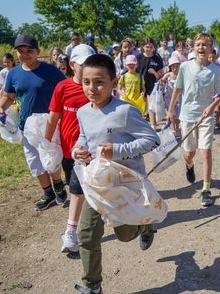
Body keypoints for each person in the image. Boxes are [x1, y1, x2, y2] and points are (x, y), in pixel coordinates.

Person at [72, 54, 160, 294]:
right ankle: (93, 287)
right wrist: (77, 150)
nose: (92, 88)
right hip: (97, 183)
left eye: (99, 82)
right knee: (87, 234)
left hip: (124, 184)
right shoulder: (82, 112)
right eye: (86, 82)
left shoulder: (124, 111)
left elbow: (152, 139)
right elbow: (84, 138)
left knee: (124, 235)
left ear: (114, 81)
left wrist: (117, 151)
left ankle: (144, 226)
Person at [0, 34, 67, 211]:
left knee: (51, 156)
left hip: (49, 123)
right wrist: (0, 108)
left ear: (38, 52)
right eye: (21, 51)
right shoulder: (14, 74)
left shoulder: (50, 71)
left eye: (29, 51)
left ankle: (58, 183)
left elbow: (66, 90)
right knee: (34, 161)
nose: (25, 55)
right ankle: (48, 193)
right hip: (27, 126)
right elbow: (8, 95)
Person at [45, 44, 95, 253]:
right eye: (83, 64)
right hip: (68, 151)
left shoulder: (96, 88)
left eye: (91, 63)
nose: (87, 68)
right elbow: (53, 116)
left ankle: (72, 231)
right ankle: (87, 222)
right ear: (72, 64)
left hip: (91, 151)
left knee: (78, 189)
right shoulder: (62, 88)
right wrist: (46, 144)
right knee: (78, 188)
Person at [166, 33, 220, 207]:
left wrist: (211, 107)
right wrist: (170, 111)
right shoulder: (185, 67)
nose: (201, 48)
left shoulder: (215, 69)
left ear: (210, 49)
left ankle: (206, 188)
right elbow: (177, 89)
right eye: (198, 45)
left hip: (206, 117)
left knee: (205, 151)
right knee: (189, 153)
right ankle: (189, 165)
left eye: (205, 45)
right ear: (193, 48)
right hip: (187, 116)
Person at [137, 38, 164, 127]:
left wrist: (155, 73)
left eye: (151, 47)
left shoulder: (157, 58)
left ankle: (153, 126)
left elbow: (160, 73)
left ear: (154, 47)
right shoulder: (139, 57)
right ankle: (140, 125)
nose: (148, 49)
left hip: (152, 84)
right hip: (140, 84)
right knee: (141, 105)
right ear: (143, 47)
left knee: (151, 106)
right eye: (146, 47)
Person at [161, 56, 182, 132]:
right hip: (170, 97)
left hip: (179, 97)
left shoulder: (181, 75)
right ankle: (173, 127)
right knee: (172, 113)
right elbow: (162, 80)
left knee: (178, 114)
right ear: (170, 67)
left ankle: (177, 127)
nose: (175, 68)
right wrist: (161, 83)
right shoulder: (169, 74)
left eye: (177, 66)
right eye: (173, 67)